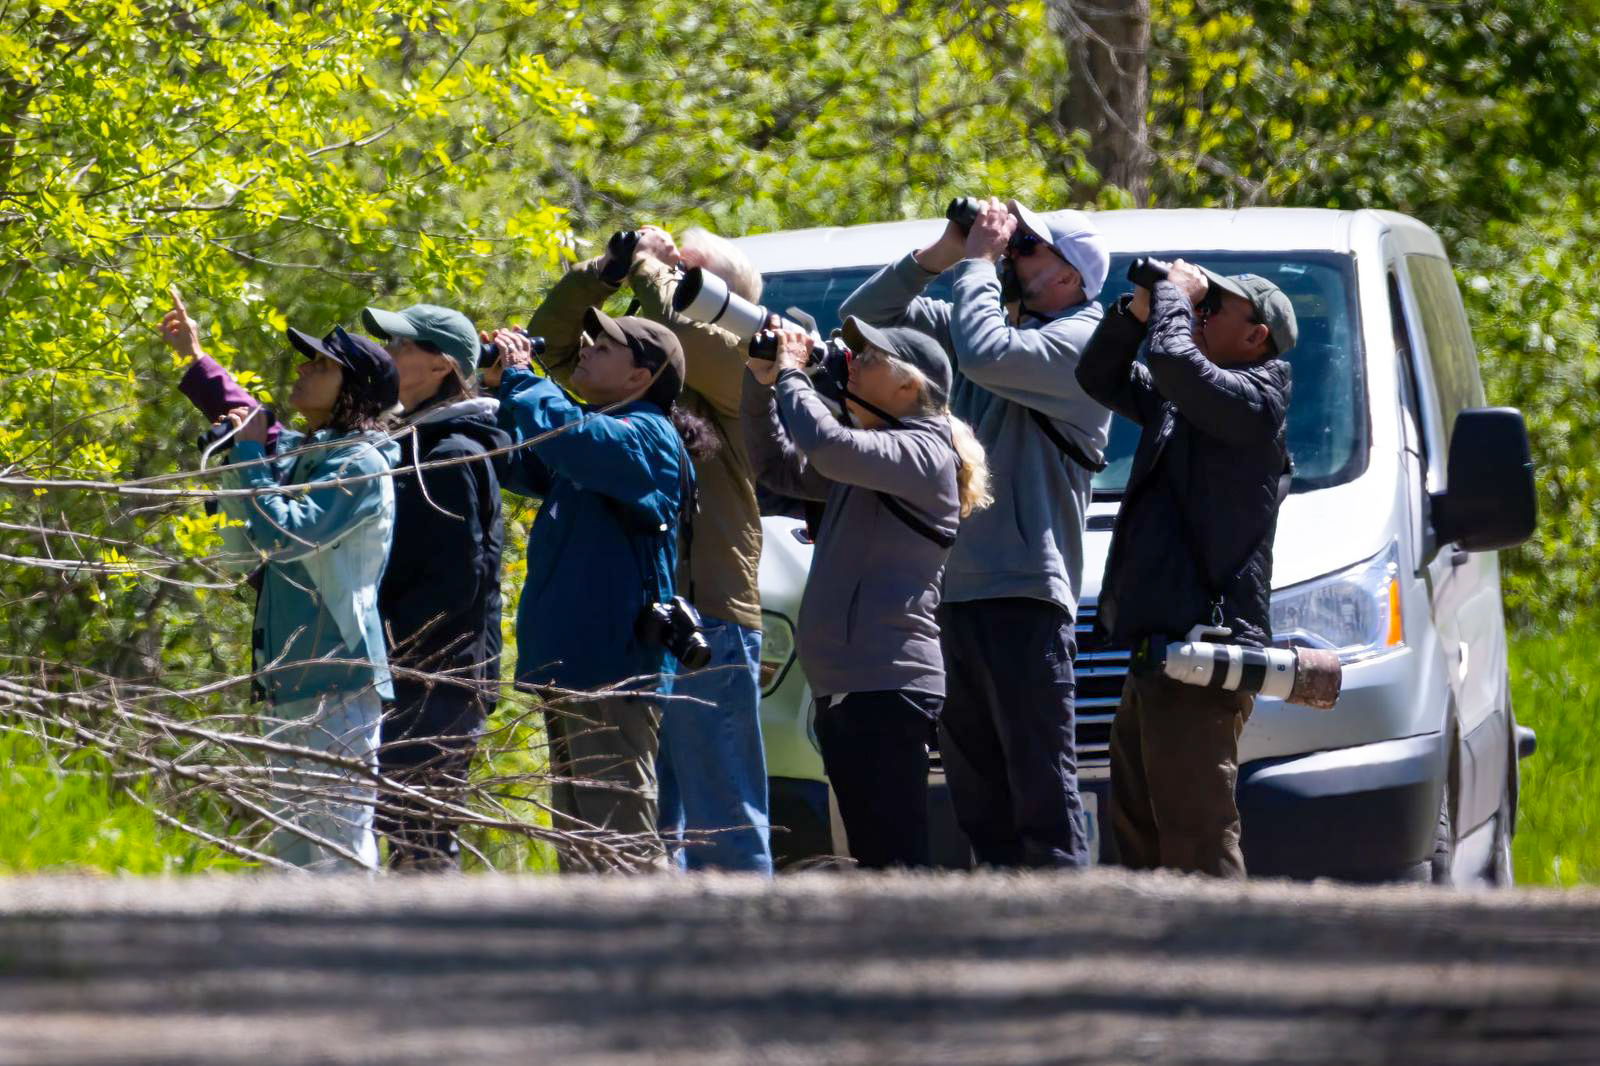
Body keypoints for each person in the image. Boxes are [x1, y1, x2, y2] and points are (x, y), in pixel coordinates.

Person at [838, 197, 1112, 868]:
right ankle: (997, 944)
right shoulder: (984, 312)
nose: (1014, 254)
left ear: (1070, 278)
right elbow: (865, 323)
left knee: (1040, 792)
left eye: (1030, 249)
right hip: (951, 593)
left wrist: (981, 263)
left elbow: (988, 356)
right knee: (978, 794)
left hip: (1025, 593)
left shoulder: (1086, 342)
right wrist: (941, 254)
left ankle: (1065, 943)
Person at [522, 225, 772, 875]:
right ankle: (661, 955)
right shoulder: (627, 379)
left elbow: (678, 334)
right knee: (639, 814)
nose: (662, 273)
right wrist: (605, 269)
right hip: (636, 622)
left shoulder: (736, 361)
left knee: (722, 811)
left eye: (685, 271)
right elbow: (549, 337)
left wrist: (649, 266)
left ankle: (747, 951)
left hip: (707, 608)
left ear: (721, 298)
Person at [740, 315, 990, 869]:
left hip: (886, 682)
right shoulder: (877, 454)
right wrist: (761, 386)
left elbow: (826, 446)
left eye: (870, 358)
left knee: (892, 859)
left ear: (909, 385)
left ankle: (915, 954)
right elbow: (777, 466)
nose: (853, 364)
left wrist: (791, 375)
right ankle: (897, 951)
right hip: (853, 683)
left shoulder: (923, 452)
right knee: (877, 858)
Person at [1075, 258, 1296, 879]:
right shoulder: (1190, 398)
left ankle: (1226, 960)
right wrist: (1134, 313)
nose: (1197, 313)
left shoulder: (1255, 402)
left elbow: (1174, 364)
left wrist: (1171, 296)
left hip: (1207, 651)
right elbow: (1098, 374)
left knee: (1198, 834)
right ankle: (1157, 966)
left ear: (1256, 336)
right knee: (1140, 826)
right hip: (1162, 649)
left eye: (1211, 308)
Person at [162, 300, 400, 871]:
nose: (300, 370)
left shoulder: (359, 464)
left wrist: (246, 451)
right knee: (292, 848)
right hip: (289, 677)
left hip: (339, 679)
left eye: (320, 366)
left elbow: (285, 536)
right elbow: (256, 424)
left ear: (353, 391)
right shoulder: (308, 455)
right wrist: (195, 358)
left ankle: (357, 957)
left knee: (337, 845)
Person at [483, 308, 715, 871]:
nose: (584, 348)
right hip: (578, 665)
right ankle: (598, 953)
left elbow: (573, 440)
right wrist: (482, 387)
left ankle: (655, 952)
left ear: (641, 377)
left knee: (620, 838)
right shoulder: (597, 436)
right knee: (582, 841)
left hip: (613, 669)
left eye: (603, 346)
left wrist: (520, 376)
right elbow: (524, 458)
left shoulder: (647, 436)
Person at [360, 303, 508, 872]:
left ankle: (434, 956)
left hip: (436, 676)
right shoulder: (418, 442)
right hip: (416, 671)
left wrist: (383, 636)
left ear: (443, 366)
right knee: (397, 829)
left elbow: (457, 580)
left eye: (400, 347)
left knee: (420, 839)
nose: (387, 357)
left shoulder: (449, 454)